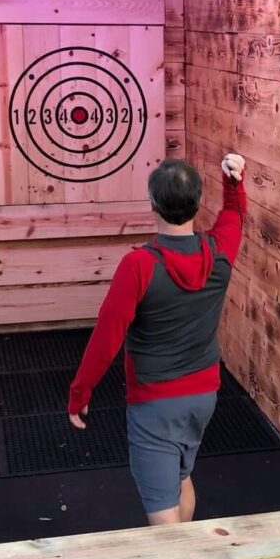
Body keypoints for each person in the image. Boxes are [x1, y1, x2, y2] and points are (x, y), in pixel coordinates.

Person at [68, 153, 246, 525]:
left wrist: (80, 392)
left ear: (153, 204)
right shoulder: (219, 251)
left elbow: (106, 338)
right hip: (203, 397)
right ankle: (186, 555)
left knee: (163, 515)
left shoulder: (138, 266)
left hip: (155, 404)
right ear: (198, 202)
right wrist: (234, 183)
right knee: (180, 477)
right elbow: (234, 217)